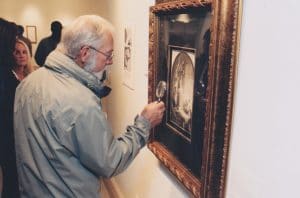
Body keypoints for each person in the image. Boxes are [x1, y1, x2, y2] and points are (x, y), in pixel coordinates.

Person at [14, 15, 165, 197]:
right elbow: (111, 161)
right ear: (85, 53)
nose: (110, 62)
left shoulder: (27, 84)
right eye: (108, 55)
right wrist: (144, 123)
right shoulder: (80, 102)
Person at [0, 17, 20, 198]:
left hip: (8, 137)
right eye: (13, 40)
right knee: (12, 181)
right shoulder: (4, 73)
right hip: (7, 138)